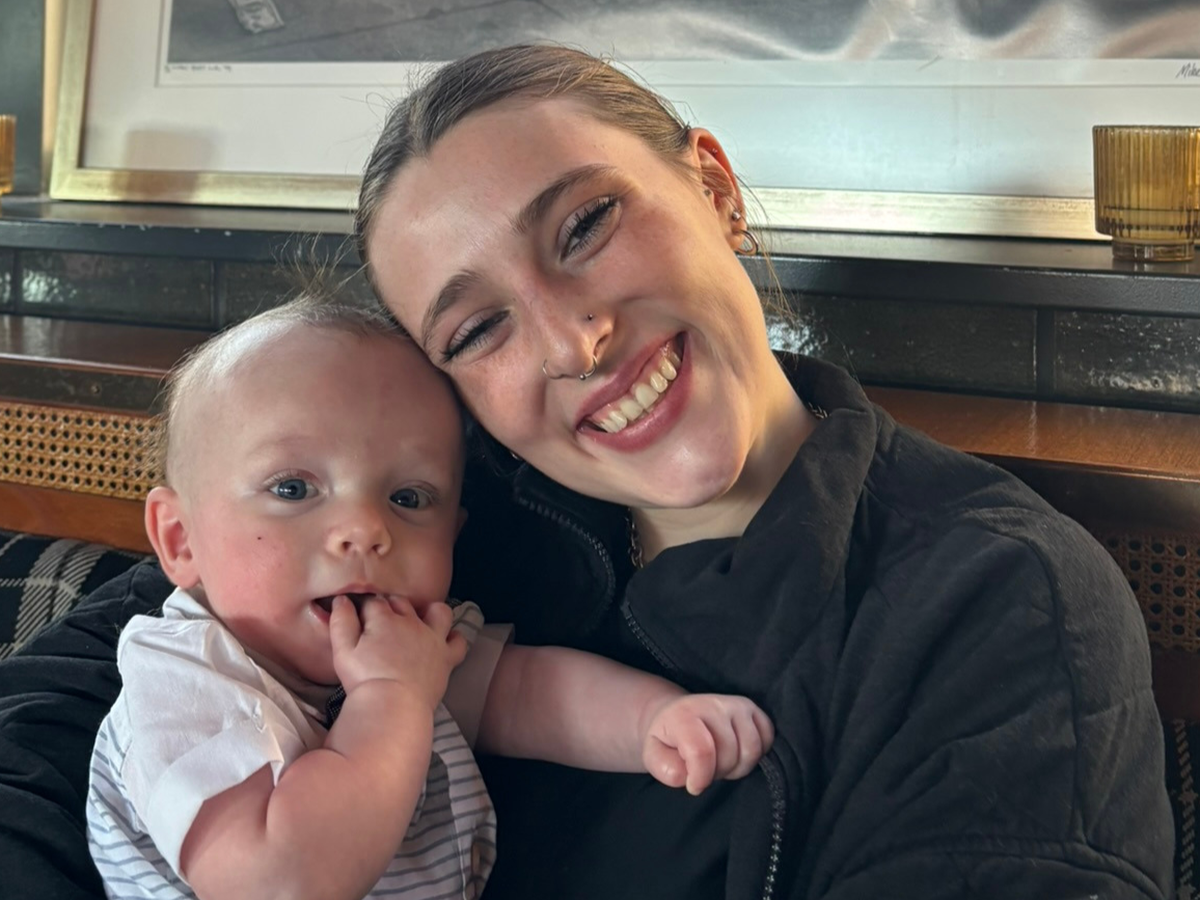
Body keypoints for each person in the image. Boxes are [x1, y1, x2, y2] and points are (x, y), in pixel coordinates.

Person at [0, 43, 1175, 900]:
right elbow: (50, 727)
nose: (573, 342)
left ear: (714, 190)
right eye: (477, 330)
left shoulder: (993, 599)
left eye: (584, 227)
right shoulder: (416, 517)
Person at [86, 295, 773, 900]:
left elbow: (528, 694)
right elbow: (280, 882)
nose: (366, 529)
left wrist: (655, 720)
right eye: (293, 489)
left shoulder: (410, 644)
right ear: (180, 540)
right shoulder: (185, 682)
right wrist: (391, 698)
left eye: (409, 498)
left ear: (455, 533)